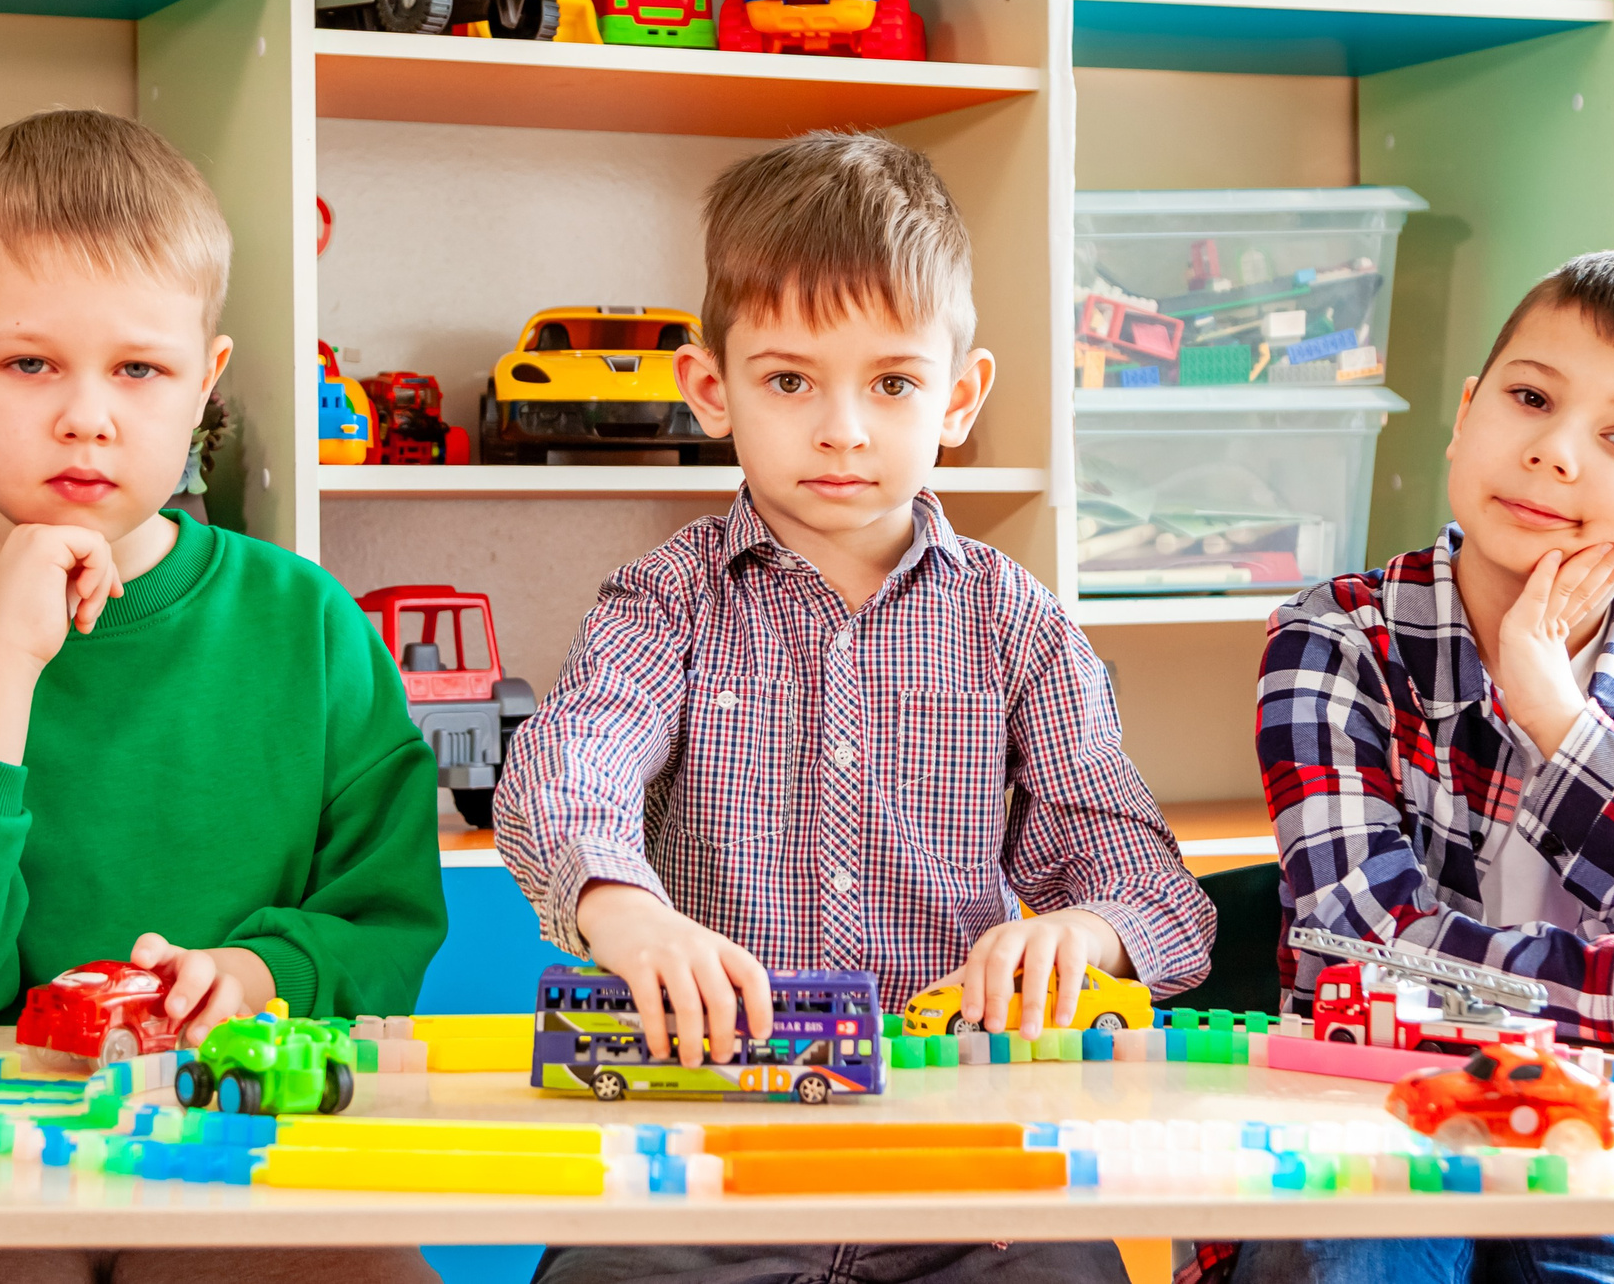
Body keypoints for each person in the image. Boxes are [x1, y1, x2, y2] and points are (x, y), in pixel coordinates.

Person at [495, 129, 1216, 1284]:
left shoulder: (1016, 622)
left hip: (965, 1183)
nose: (843, 428)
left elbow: (1153, 887)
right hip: (702, 1167)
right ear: (709, 390)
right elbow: (570, 755)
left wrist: (1084, 931)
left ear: (959, 397)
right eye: (789, 380)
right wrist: (619, 907)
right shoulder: (663, 600)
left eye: (891, 382)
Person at [0, 109, 445, 1284]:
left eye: (139, 367)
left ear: (205, 382)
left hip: (243, 1154)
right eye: (30, 364)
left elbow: (386, 931)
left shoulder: (311, 626)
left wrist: (257, 977)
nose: (88, 412)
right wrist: (1, 662)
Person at [1203, 250, 1614, 1284]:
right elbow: (1363, 955)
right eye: (1529, 398)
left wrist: (1560, 722)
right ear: (1466, 416)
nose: (1556, 452)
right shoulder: (1336, 637)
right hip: (1370, 1138)